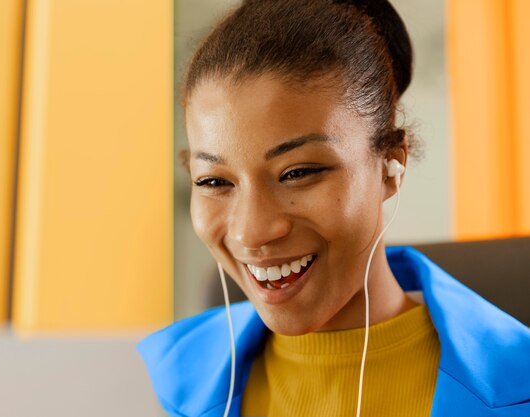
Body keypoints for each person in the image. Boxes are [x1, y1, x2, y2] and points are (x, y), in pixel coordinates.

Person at [138, 1, 530, 416]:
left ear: (391, 164)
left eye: (299, 172)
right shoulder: (184, 387)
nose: (250, 231)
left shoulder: (517, 382)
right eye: (215, 181)